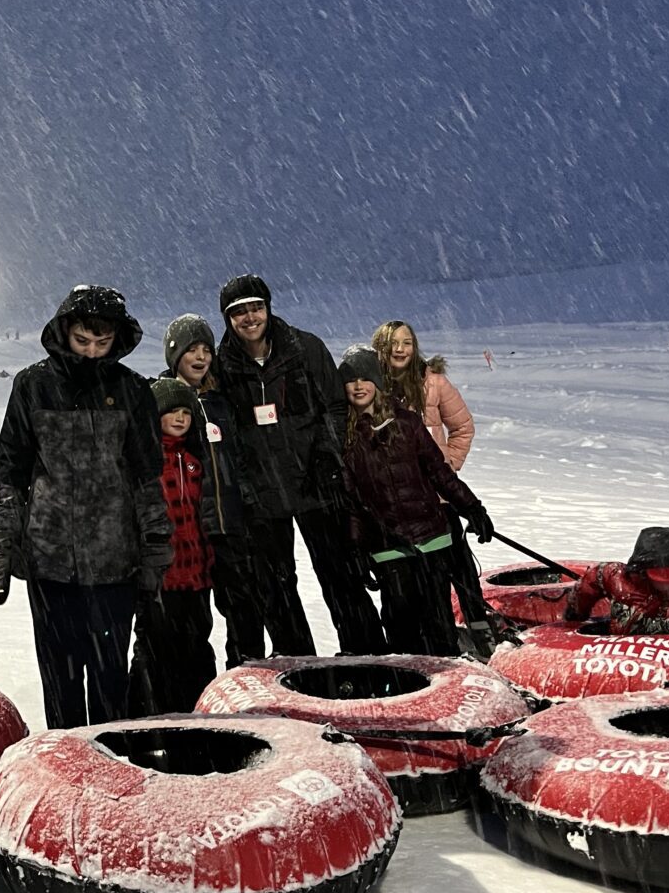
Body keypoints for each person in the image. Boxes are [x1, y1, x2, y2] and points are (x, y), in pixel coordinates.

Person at [0, 285, 172, 729]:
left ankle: (111, 766)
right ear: (65, 331)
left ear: (117, 340)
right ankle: (65, 773)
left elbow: (147, 477)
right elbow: (12, 471)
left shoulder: (131, 390)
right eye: (83, 341)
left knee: (110, 681)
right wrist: (5, 540)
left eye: (102, 343)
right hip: (49, 563)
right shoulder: (32, 386)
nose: (91, 353)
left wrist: (155, 549)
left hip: (114, 562)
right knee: (61, 681)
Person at [214, 274, 384, 657]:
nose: (249, 318)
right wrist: (243, 483)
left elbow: (334, 408)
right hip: (263, 496)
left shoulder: (305, 348)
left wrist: (327, 456)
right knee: (275, 587)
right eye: (238, 312)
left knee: (341, 577)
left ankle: (369, 658)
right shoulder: (222, 366)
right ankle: (298, 664)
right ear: (227, 318)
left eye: (255, 307)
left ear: (268, 307)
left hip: (316, 486)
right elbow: (225, 430)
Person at [339, 346, 494, 657]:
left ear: (378, 383)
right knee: (401, 625)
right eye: (351, 380)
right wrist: (357, 548)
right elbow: (353, 503)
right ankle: (407, 689)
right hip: (389, 547)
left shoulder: (408, 423)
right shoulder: (344, 437)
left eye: (365, 378)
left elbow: (440, 473)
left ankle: (447, 679)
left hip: (432, 540)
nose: (358, 386)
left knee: (439, 623)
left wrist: (471, 507)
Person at [162, 313, 257, 669]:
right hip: (190, 533)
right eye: (191, 350)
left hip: (229, 527)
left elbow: (240, 459)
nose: (201, 357)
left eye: (206, 349)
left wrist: (246, 505)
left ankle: (243, 687)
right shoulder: (163, 402)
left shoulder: (222, 401)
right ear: (175, 355)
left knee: (245, 617)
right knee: (191, 626)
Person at [127, 378, 217, 716]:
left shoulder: (195, 459)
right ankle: (148, 720)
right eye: (171, 412)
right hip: (160, 577)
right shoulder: (144, 460)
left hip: (196, 575)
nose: (180, 418)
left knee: (195, 647)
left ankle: (198, 716)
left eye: (185, 412)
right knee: (154, 651)